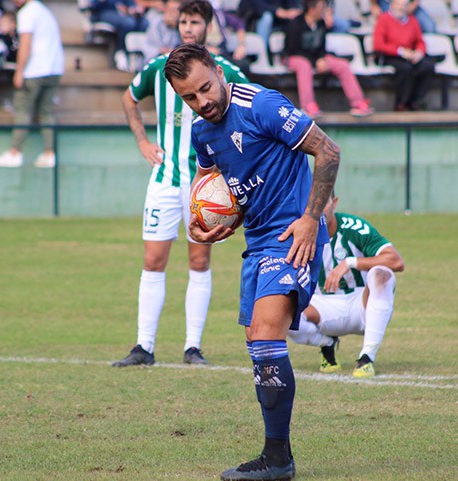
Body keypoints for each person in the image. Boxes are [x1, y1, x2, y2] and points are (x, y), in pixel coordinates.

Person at [165, 42, 339, 481]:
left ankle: (278, 460)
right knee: (261, 347)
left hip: (293, 237)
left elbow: (329, 151)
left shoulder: (261, 105)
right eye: (189, 97)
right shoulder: (202, 132)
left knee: (264, 333)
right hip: (257, 243)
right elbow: (214, 185)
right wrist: (208, 222)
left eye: (205, 88)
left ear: (220, 72)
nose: (202, 102)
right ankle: (277, 456)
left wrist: (310, 219)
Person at [113, 0, 249, 367]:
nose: (188, 27)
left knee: (199, 259)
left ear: (208, 26)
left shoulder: (227, 72)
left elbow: (250, 111)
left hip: (205, 186)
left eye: (196, 21)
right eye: (184, 21)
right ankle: (144, 347)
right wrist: (142, 141)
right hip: (165, 179)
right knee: (153, 259)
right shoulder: (159, 69)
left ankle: (193, 347)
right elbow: (129, 99)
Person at [286, 192, 404, 378]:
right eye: (311, 205)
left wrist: (350, 263)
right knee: (285, 312)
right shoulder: (296, 232)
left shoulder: (353, 227)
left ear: (334, 202)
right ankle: (326, 343)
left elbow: (396, 261)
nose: (317, 210)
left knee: (383, 274)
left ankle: (366, 358)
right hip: (321, 305)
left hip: (362, 304)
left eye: (322, 202)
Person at [0, 0, 64, 168]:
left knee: (23, 109)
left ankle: (15, 152)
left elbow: (26, 44)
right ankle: (49, 153)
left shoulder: (27, 13)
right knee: (46, 112)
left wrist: (19, 71)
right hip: (54, 69)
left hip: (35, 70)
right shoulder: (43, 11)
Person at [284, 0, 374, 118]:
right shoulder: (295, 24)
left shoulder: (321, 23)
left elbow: (321, 46)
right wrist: (315, 62)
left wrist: (321, 59)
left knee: (342, 65)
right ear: (312, 9)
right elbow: (292, 50)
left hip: (315, 58)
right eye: (322, 7)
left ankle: (358, 103)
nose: (324, 9)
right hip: (293, 58)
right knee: (304, 65)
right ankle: (307, 106)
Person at [372, 0, 435, 111]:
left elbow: (420, 41)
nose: (401, 8)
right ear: (392, 5)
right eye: (398, 5)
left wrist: (419, 52)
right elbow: (378, 45)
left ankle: (415, 100)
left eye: (404, 5)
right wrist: (400, 51)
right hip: (391, 55)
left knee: (427, 66)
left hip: (409, 54)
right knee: (405, 68)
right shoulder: (383, 19)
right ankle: (401, 103)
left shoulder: (412, 20)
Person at [369, 0, 435, 33]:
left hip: (409, 3)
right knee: (391, 30)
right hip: (387, 3)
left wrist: (413, 5)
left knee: (429, 28)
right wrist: (374, 5)